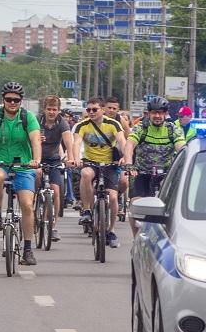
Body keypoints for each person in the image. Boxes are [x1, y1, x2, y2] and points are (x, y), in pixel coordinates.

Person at [0, 82, 41, 266]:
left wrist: (36, 159)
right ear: (3, 100)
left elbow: (36, 139)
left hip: (23, 164)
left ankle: (28, 249)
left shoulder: (27, 116)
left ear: (21, 101)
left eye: (16, 100)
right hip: (0, 162)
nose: (12, 103)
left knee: (27, 205)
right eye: (9, 99)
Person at [123, 96, 185, 234]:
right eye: (154, 113)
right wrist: (128, 164)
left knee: (172, 203)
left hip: (165, 174)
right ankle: (136, 239)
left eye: (160, 113)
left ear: (165, 114)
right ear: (149, 113)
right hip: (141, 172)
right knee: (135, 203)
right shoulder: (141, 128)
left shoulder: (172, 129)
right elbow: (129, 145)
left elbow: (181, 148)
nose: (157, 116)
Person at [72, 97, 127, 248]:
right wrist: (76, 159)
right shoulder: (81, 125)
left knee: (114, 198)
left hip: (110, 164)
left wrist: (124, 157)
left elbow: (122, 141)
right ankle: (87, 210)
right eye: (88, 109)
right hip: (90, 162)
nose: (91, 112)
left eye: (94, 109)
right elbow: (76, 143)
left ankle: (111, 230)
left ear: (102, 110)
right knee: (86, 174)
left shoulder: (113, 124)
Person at [35, 95, 74, 242]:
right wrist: (35, 137)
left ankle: (53, 226)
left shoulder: (62, 123)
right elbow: (26, 138)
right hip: (36, 158)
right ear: (44, 109)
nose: (51, 112)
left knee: (56, 190)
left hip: (53, 159)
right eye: (49, 109)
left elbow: (68, 141)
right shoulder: (37, 121)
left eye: (55, 109)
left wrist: (71, 158)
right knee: (37, 175)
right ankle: (34, 202)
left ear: (58, 111)